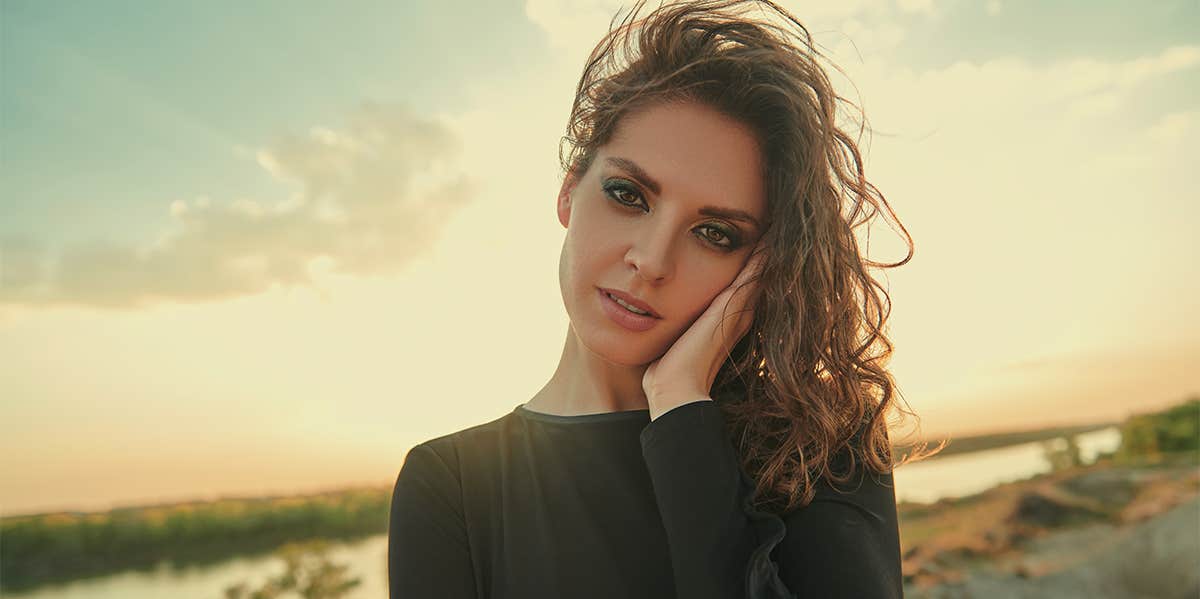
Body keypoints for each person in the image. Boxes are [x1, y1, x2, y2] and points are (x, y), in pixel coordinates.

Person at [389, 1, 938, 597]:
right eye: (628, 194)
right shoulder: (451, 485)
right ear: (570, 190)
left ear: (764, 266)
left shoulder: (820, 445)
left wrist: (680, 405)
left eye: (714, 233)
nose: (651, 261)